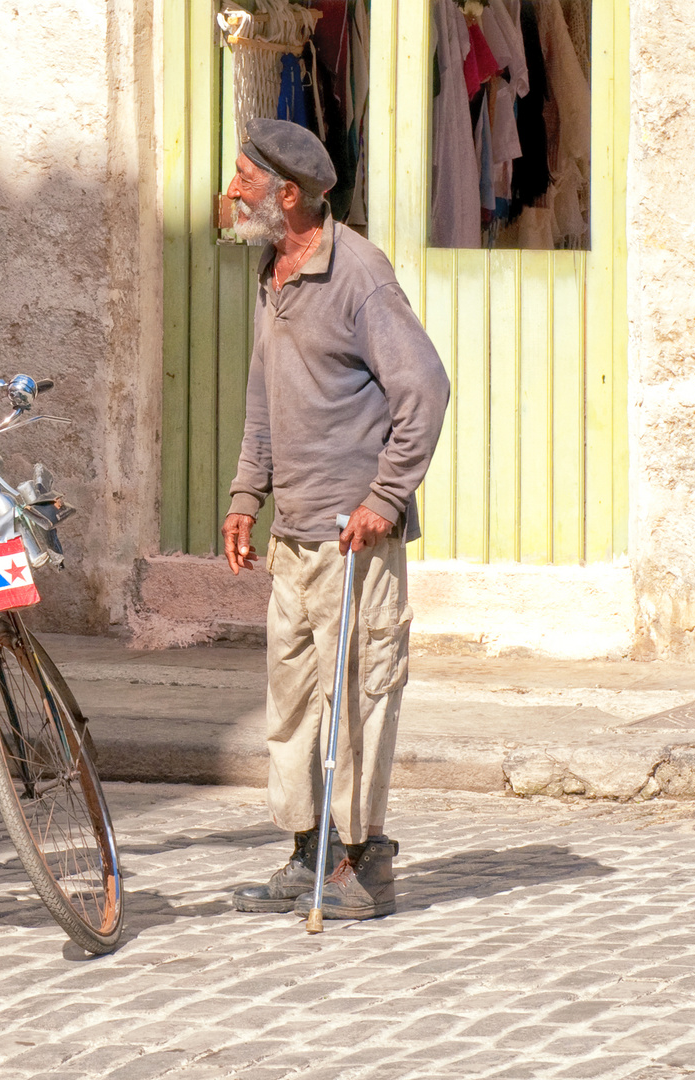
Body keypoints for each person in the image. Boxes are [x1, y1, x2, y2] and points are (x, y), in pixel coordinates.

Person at [219, 119, 450, 921]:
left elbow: (425, 389)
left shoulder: (360, 276)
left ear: (288, 195)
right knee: (289, 703)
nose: (231, 191)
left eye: (244, 178)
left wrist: (385, 499)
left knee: (360, 700)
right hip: (295, 536)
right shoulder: (273, 267)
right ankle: (306, 850)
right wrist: (249, 491)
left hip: (355, 538)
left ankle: (363, 861)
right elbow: (264, 391)